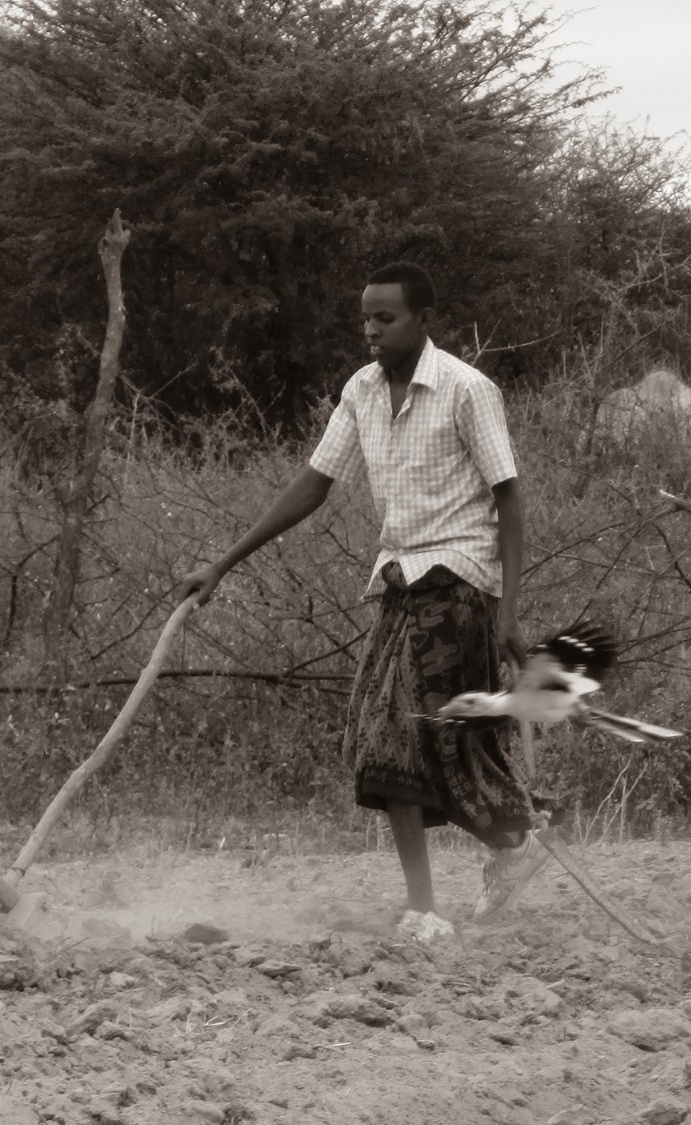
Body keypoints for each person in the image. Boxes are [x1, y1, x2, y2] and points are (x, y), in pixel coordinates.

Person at [173, 261, 547, 942]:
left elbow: (510, 499)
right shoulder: (362, 391)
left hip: (460, 585)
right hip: (401, 587)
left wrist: (510, 611)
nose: (371, 331)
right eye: (366, 318)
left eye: (386, 318)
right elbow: (314, 483)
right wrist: (222, 564)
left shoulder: (467, 390)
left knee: (405, 741)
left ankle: (438, 900)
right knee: (410, 744)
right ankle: (499, 857)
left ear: (422, 319)